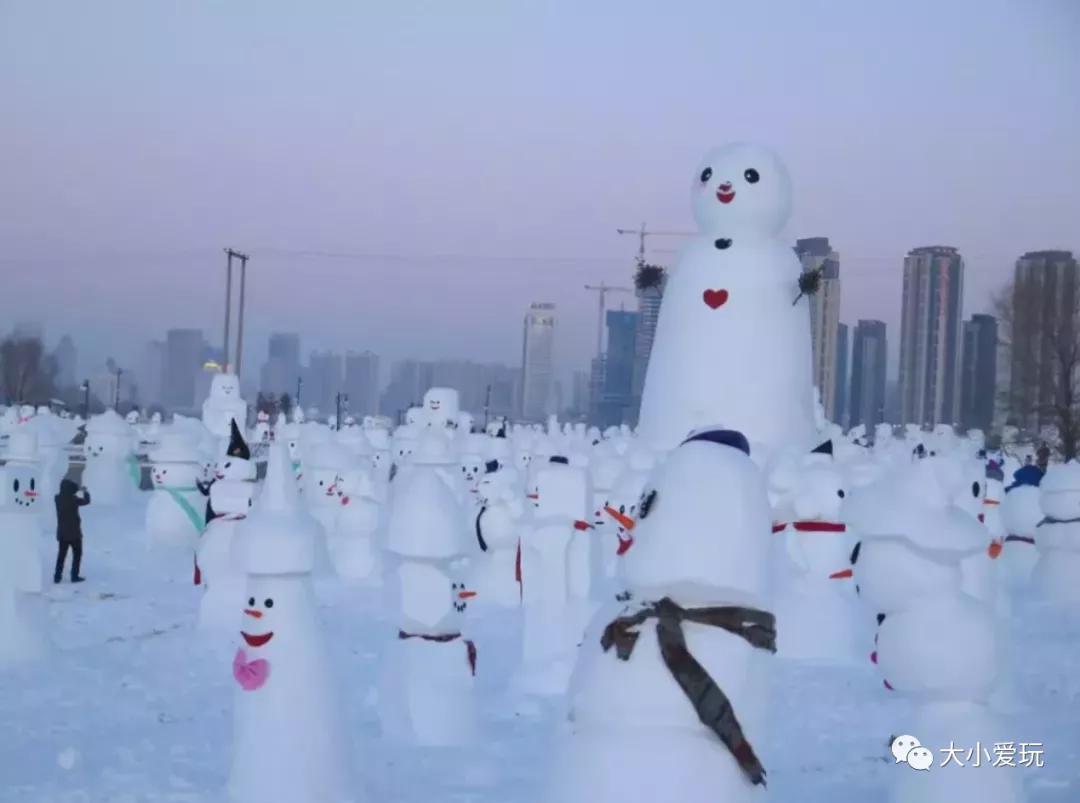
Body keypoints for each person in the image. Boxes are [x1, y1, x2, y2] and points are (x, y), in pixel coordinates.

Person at [55, 479, 91, 583]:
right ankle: (74, 576)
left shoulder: (57, 499)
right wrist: (85, 491)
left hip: (62, 533)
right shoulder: (73, 499)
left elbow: (69, 490)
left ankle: (57, 577)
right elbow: (86, 501)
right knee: (77, 555)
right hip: (74, 533)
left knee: (61, 556)